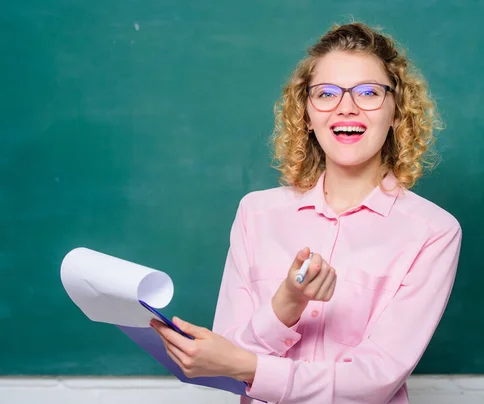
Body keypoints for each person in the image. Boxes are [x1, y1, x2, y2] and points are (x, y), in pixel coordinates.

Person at [151, 21, 462, 403]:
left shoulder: (433, 231)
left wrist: (248, 365)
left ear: (397, 112)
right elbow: (225, 356)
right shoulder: (256, 214)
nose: (346, 107)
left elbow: (375, 379)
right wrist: (287, 305)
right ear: (307, 114)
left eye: (368, 92)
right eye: (326, 93)